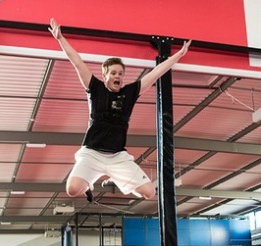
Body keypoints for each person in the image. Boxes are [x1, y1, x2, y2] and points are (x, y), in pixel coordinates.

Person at [48, 18, 191, 202]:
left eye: (121, 73)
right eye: (113, 73)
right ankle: (89, 184)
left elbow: (156, 73)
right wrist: (60, 39)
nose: (118, 76)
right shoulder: (95, 88)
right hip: (92, 152)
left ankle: (116, 176)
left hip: (117, 156)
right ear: (105, 75)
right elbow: (77, 62)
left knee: (149, 193)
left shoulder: (130, 92)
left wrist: (178, 55)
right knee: (72, 189)